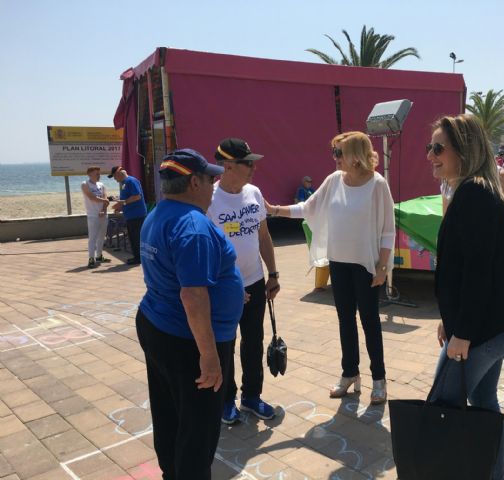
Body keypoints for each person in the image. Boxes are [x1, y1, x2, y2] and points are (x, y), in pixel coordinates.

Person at [428, 114, 504, 480]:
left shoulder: (474, 194)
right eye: (431, 147)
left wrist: (463, 332)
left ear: (465, 148)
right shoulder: (470, 190)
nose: (431, 155)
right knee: (485, 403)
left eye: (438, 147)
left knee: (440, 404)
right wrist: (450, 318)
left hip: (485, 327)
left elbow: (477, 273)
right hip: (495, 321)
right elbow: (472, 267)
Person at [136, 149, 243, 480]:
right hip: (188, 339)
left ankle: (173, 473)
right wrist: (209, 357)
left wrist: (232, 291)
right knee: (198, 430)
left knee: (169, 413)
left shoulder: (158, 213)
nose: (215, 184)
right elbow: (193, 295)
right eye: (211, 178)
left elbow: (182, 277)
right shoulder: (193, 225)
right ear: (194, 182)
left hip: (158, 324)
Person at [266, 131, 395, 405]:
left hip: (367, 265)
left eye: (339, 153)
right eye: (334, 153)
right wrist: (274, 209)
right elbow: (307, 208)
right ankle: (350, 373)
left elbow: (388, 231)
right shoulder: (334, 180)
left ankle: (379, 379)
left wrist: (383, 267)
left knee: (370, 322)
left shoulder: (377, 184)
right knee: (345, 320)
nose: (334, 158)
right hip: (339, 262)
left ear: (356, 155)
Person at [207, 137, 279, 424]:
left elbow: (262, 235)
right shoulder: (209, 200)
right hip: (225, 286)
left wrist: (272, 274)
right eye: (246, 163)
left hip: (254, 281)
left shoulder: (254, 193)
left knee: (254, 342)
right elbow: (206, 249)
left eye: (253, 163)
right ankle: (226, 401)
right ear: (227, 166)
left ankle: (251, 397)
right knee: (225, 345)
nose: (253, 168)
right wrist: (225, 287)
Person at [109, 166, 147, 265]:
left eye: (114, 176)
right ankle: (136, 257)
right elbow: (126, 198)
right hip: (130, 215)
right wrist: (119, 207)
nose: (114, 179)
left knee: (136, 238)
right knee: (132, 238)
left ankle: (139, 259)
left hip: (137, 214)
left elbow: (137, 196)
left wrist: (124, 203)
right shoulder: (123, 183)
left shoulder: (131, 181)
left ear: (118, 173)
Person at [81, 167, 111, 269]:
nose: (99, 176)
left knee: (102, 237)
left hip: (103, 215)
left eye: (99, 173)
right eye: (96, 174)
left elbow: (105, 198)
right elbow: (91, 197)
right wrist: (104, 201)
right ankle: (91, 258)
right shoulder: (85, 184)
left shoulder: (101, 185)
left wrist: (103, 209)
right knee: (92, 238)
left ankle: (99, 256)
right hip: (93, 215)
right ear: (89, 174)